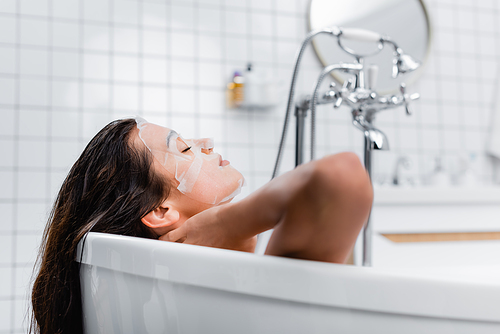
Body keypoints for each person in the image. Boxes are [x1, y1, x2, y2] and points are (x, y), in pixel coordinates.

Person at [30, 118, 373, 334]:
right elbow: (341, 176)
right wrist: (227, 222)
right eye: (184, 147)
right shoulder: (249, 290)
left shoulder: (211, 290)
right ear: (161, 210)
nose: (206, 142)